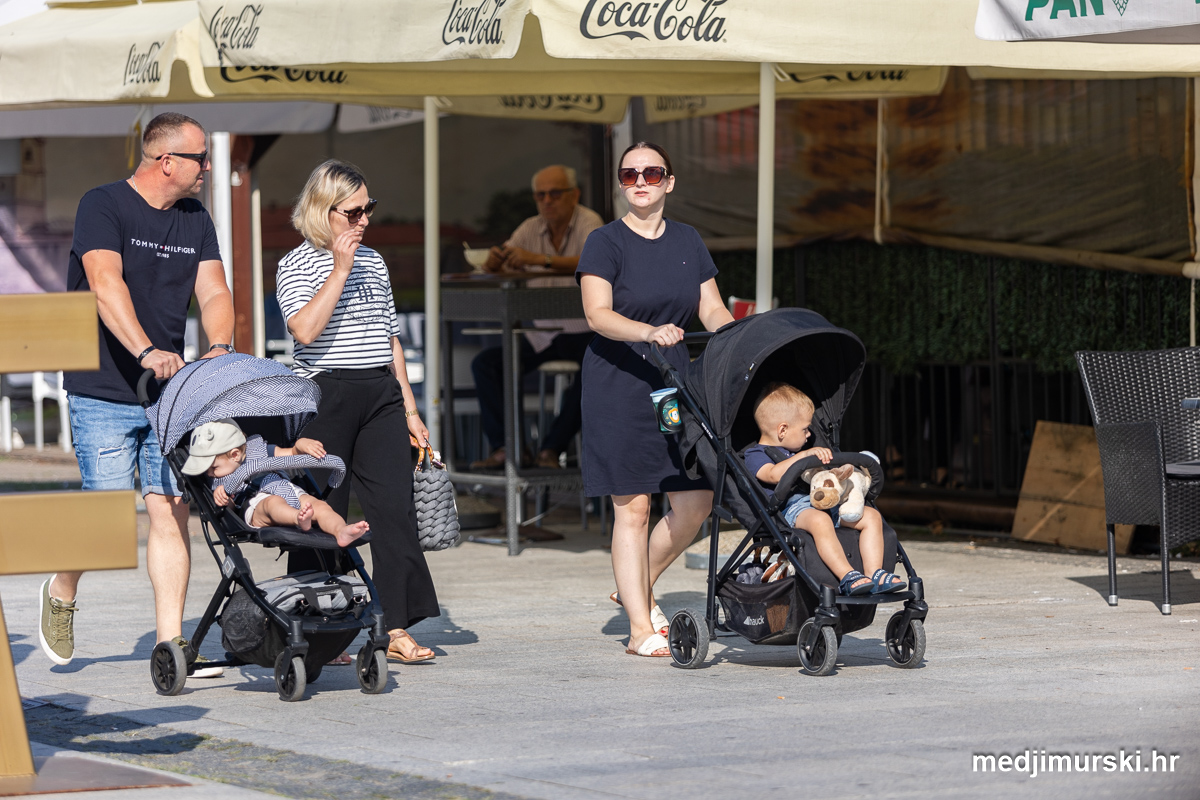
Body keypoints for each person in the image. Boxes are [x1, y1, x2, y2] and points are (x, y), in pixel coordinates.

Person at [44, 112, 233, 675]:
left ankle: (172, 646)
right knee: (105, 516)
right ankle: (62, 587)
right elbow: (105, 284)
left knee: (171, 512)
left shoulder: (195, 219)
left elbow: (214, 290)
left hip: (169, 394)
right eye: (200, 158)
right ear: (166, 161)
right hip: (102, 386)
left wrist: (219, 347)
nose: (207, 167)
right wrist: (146, 349)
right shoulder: (102, 204)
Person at [275, 159, 438, 664]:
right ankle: (321, 627)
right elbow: (304, 331)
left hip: (379, 393)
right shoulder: (296, 264)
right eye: (353, 212)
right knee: (323, 510)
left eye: (369, 209)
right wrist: (340, 268)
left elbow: (390, 339)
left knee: (394, 509)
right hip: (325, 393)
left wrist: (411, 409)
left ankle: (395, 625)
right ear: (323, 210)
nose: (364, 220)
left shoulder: (375, 261)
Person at [576, 142, 736, 657]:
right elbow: (597, 314)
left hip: (674, 384)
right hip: (618, 384)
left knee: (696, 501)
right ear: (621, 183)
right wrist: (649, 331)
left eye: (651, 173)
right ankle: (640, 629)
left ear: (669, 181)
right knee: (635, 507)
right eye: (629, 174)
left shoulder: (688, 239)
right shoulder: (604, 241)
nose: (640, 181)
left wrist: (741, 339)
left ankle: (634, 586)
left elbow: (711, 308)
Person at [469, 165, 603, 470]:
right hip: (545, 334)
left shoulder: (589, 222)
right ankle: (508, 448)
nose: (547, 201)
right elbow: (503, 259)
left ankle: (551, 449)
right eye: (540, 195)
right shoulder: (530, 227)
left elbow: (593, 260)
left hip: (586, 332)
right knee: (486, 364)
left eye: (555, 193)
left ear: (574, 195)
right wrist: (494, 263)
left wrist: (539, 260)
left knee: (597, 369)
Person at [744, 382, 906, 596]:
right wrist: (804, 457)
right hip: (791, 511)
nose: (808, 435)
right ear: (782, 430)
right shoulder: (756, 454)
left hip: (824, 503)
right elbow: (772, 475)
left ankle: (874, 573)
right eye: (805, 429)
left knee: (871, 516)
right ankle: (847, 575)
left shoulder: (798, 450)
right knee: (820, 521)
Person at [180, 419, 370, 547]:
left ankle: (341, 530)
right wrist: (223, 500)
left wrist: (300, 446)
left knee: (320, 506)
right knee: (272, 504)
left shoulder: (258, 450)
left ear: (235, 454)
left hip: (285, 488)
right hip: (254, 504)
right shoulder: (219, 481)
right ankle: (298, 518)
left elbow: (290, 455)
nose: (209, 473)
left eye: (213, 467)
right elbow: (229, 509)